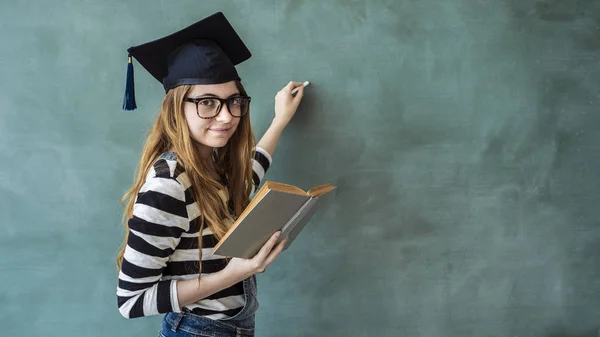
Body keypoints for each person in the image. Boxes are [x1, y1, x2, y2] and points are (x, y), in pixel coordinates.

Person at [115, 12, 306, 337]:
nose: (226, 116)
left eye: (234, 101)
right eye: (207, 102)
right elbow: (131, 301)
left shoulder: (211, 165)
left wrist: (280, 120)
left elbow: (247, 177)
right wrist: (238, 273)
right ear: (177, 107)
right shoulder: (168, 184)